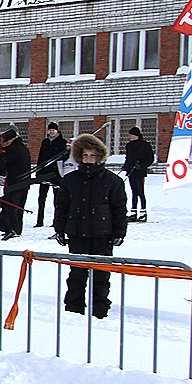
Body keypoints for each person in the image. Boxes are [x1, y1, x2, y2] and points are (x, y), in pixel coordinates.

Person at [53, 133, 127, 319]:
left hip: (103, 235)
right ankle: (73, 312)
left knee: (101, 277)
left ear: (100, 157)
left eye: (93, 155)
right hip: (77, 234)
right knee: (77, 275)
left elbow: (119, 208)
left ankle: (99, 312)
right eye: (85, 155)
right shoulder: (70, 180)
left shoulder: (112, 181)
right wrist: (59, 229)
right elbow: (62, 207)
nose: (89, 159)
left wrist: (119, 232)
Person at [0, 125, 31, 240]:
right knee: (19, 206)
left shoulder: (14, 149)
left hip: (15, 183)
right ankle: (17, 228)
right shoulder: (22, 147)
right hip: (24, 183)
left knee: (12, 206)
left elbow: (3, 163)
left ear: (12, 140)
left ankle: (14, 229)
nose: (4, 144)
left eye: (6, 142)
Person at [35, 122, 67, 228]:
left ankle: (56, 221)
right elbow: (41, 157)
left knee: (57, 199)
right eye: (50, 130)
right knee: (41, 197)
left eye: (53, 130)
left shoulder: (62, 142)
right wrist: (38, 170)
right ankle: (40, 221)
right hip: (44, 172)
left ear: (57, 131)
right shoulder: (45, 142)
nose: (51, 132)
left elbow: (64, 158)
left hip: (56, 173)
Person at [121, 127, 154, 223]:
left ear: (137, 135)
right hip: (132, 171)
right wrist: (126, 167)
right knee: (133, 192)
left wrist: (142, 165)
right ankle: (133, 212)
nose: (130, 137)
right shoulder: (129, 145)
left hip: (140, 171)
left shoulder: (145, 145)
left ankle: (143, 212)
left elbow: (150, 158)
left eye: (132, 135)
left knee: (140, 191)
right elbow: (128, 158)